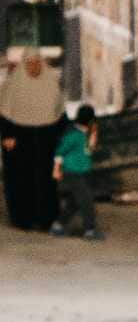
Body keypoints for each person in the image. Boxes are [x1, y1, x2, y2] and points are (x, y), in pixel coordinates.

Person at [0, 49, 64, 231]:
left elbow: (59, 114)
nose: (34, 67)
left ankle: (46, 219)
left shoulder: (51, 84)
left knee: (46, 180)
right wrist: (7, 136)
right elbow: (4, 114)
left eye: (37, 63)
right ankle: (22, 219)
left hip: (46, 140)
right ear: (24, 65)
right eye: (29, 63)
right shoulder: (12, 85)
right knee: (20, 179)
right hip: (19, 140)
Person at [51, 102, 100, 239]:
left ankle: (58, 225)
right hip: (72, 172)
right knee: (86, 200)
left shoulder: (86, 133)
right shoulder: (72, 135)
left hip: (83, 171)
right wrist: (57, 170)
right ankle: (89, 230)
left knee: (74, 202)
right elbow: (59, 153)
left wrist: (94, 135)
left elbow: (89, 150)